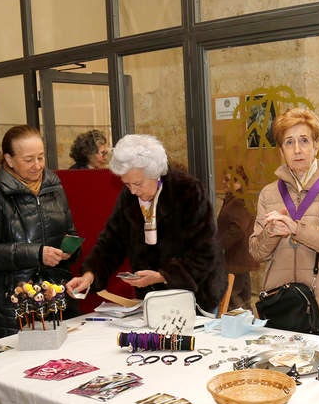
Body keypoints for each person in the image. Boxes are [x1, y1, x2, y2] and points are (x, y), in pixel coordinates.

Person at [66, 134, 227, 313]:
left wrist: (162, 276)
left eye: (138, 183)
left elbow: (205, 253)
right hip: (151, 300)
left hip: (197, 296)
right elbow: (111, 244)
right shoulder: (129, 198)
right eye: (127, 185)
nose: (133, 191)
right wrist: (90, 275)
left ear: (155, 173)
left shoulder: (187, 191)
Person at [249, 107, 319, 338]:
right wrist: (272, 232)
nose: (297, 149)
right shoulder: (269, 194)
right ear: (281, 150)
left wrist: (297, 229)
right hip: (279, 306)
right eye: (289, 142)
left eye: (304, 141)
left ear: (316, 145)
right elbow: (256, 253)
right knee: (278, 375)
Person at [0, 125, 80, 340]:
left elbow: (70, 232)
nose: (37, 166)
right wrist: (36, 254)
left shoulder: (54, 189)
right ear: (9, 160)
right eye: (28, 160)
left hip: (58, 303)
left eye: (41, 157)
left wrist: (69, 250)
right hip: (15, 309)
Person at [217, 165, 257, 310]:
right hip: (235, 259)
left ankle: (246, 327)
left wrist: (218, 246)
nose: (223, 183)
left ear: (239, 183)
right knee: (240, 300)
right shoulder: (233, 199)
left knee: (235, 301)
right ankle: (247, 326)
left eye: (228, 180)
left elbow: (237, 229)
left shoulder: (240, 200)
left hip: (237, 259)